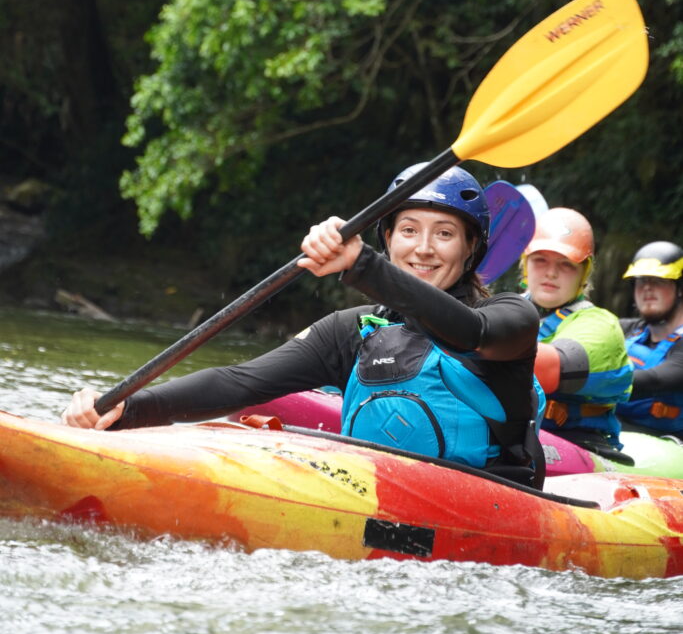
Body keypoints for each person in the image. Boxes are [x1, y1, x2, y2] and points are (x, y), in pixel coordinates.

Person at [62, 164, 545, 486]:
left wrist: (362, 265)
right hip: (374, 492)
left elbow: (468, 334)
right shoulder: (353, 332)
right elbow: (238, 382)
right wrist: (126, 409)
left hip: (491, 499)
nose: (423, 248)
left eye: (444, 234)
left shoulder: (510, 320)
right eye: (409, 230)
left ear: (470, 250)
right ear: (389, 237)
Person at [524, 207, 633, 455]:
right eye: (540, 260)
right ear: (525, 263)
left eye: (566, 264)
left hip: (579, 443)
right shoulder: (504, 306)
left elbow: (549, 369)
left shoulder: (600, 324)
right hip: (521, 435)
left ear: (584, 272)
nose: (551, 272)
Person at [617, 241, 683, 436]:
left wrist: (596, 380)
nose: (647, 288)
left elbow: (656, 381)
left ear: (680, 288)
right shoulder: (623, 330)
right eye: (641, 281)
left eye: (658, 280)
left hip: (672, 445)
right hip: (620, 433)